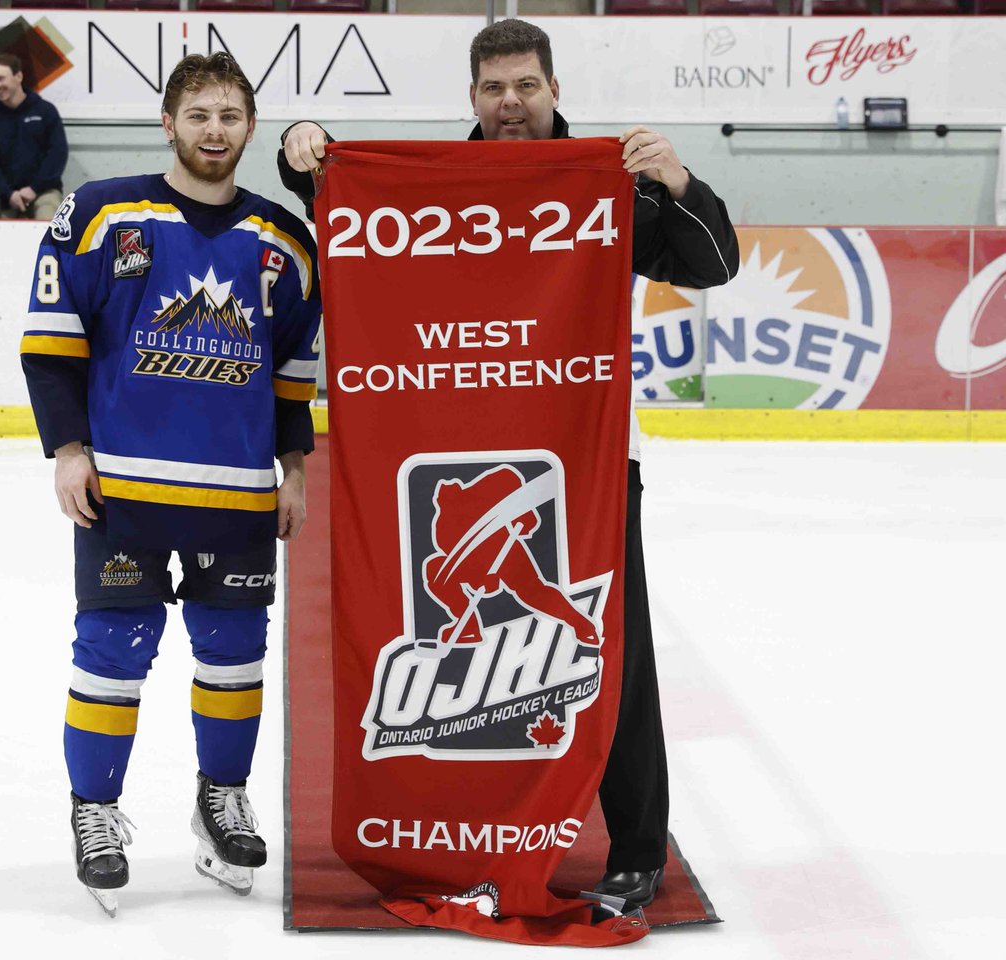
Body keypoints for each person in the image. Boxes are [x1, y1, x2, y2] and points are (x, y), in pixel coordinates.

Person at [278, 18, 739, 908]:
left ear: (555, 89)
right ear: (473, 97)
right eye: (493, 88)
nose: (510, 103)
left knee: (614, 656)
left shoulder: (611, 185)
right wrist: (302, 158)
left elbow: (714, 263)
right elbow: (331, 193)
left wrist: (678, 181)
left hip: (588, 462)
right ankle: (470, 832)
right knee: (461, 644)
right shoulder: (440, 187)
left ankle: (637, 848)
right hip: (450, 458)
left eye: (525, 85)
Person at [20, 51, 321, 917]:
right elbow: (51, 339)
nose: (215, 131)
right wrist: (68, 449)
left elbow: (294, 369)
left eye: (230, 116)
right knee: (113, 655)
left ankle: (219, 796)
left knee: (235, 655)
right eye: (199, 115)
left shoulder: (284, 240)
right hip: (124, 489)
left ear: (250, 127)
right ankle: (96, 811)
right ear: (168, 122)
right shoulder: (102, 213)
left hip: (235, 491)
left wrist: (293, 467)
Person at [0, 53, 68, 220]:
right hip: (9, 198)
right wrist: (9, 194)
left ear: (18, 76)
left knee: (46, 228)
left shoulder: (45, 111)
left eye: (1, 78)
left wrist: (34, 188)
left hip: (44, 192)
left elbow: (57, 154)